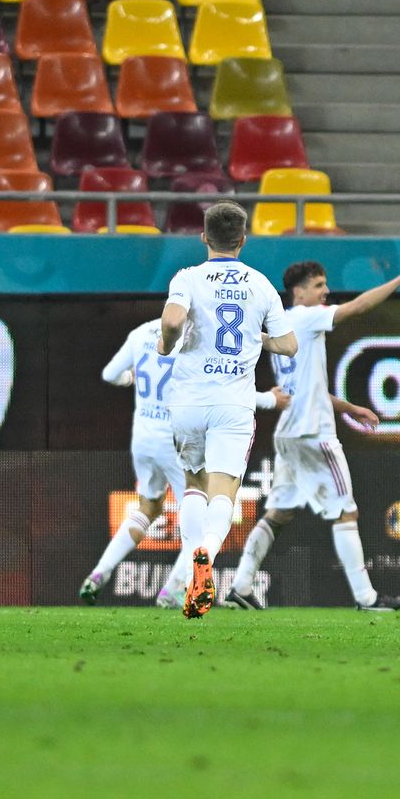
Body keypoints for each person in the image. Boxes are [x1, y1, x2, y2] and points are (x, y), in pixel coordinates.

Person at [226, 261, 400, 612]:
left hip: (289, 433)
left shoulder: (283, 329)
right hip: (314, 433)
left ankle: (240, 585)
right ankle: (367, 598)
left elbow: (308, 387)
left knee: (279, 514)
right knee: (345, 512)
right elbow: (359, 307)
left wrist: (349, 408)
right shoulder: (307, 318)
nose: (326, 291)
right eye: (319, 285)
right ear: (299, 293)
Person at [79, 319, 291, 608]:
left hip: (143, 438)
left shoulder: (140, 333)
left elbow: (109, 374)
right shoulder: (195, 338)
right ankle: (174, 589)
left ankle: (98, 575)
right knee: (203, 516)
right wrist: (268, 400)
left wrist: (130, 379)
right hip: (175, 437)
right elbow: (222, 393)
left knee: (148, 507)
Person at [158, 201, 297, 619]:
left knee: (193, 483)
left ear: (204, 237)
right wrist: (258, 340)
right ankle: (207, 554)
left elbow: (172, 321)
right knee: (224, 489)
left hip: (188, 398)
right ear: (243, 240)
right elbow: (289, 345)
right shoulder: (261, 284)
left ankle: (191, 569)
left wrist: (166, 344)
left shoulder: (188, 277)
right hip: (233, 403)